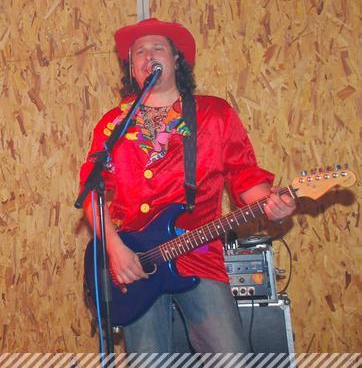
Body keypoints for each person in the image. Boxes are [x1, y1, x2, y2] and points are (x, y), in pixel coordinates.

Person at [79, 18, 296, 352]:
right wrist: (115, 250)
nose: (148, 55)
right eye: (139, 52)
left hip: (199, 254)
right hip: (136, 261)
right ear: (132, 67)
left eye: (157, 48)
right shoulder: (113, 124)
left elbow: (244, 174)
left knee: (230, 355)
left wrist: (273, 203)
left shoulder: (214, 114)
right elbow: (91, 192)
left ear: (176, 59)